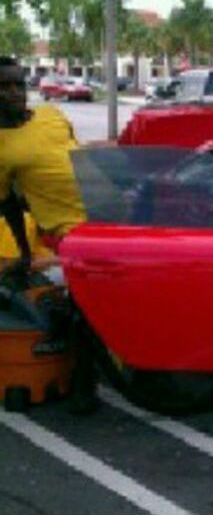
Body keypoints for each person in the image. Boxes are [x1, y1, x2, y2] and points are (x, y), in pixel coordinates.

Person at [0, 56, 96, 413]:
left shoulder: (51, 115)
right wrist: (25, 253)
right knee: (88, 303)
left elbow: (79, 158)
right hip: (71, 230)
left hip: (106, 211)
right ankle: (85, 381)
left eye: (18, 84)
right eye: (4, 87)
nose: (14, 93)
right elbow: (8, 204)